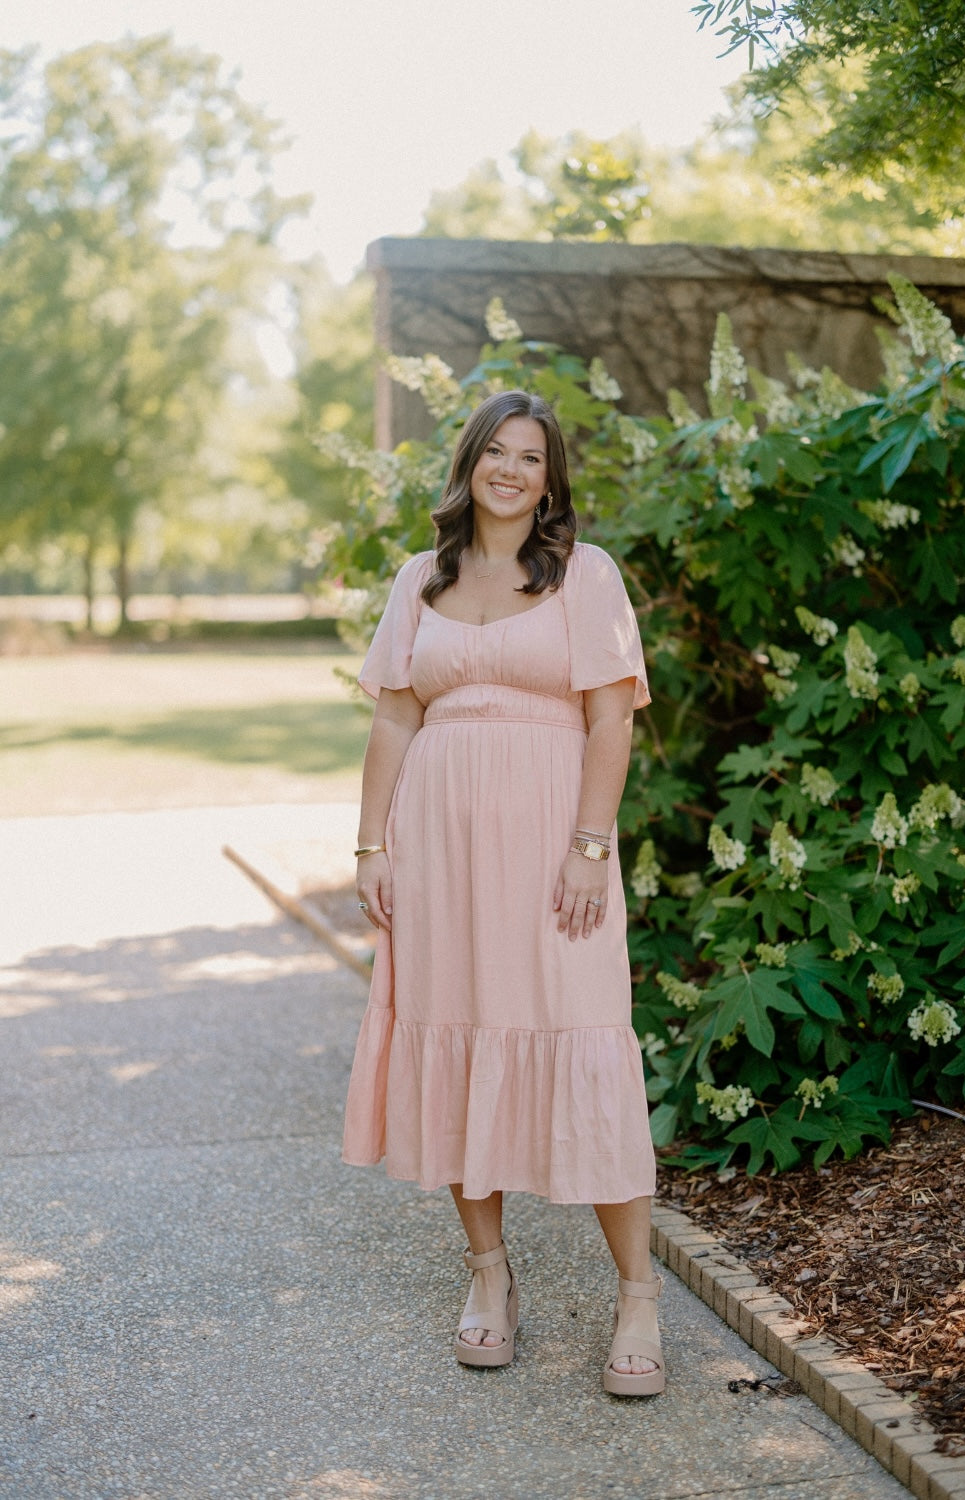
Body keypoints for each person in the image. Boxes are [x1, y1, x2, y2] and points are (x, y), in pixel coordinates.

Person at [342, 388, 663, 1396]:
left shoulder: (586, 576)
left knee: (584, 1034)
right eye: (497, 452)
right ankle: (489, 1277)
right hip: (436, 850)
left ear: (549, 479)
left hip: (551, 844)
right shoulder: (418, 580)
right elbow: (394, 719)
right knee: (456, 1032)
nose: (512, 470)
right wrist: (367, 845)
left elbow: (610, 722)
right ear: (470, 463)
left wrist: (588, 845)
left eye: (532, 457)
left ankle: (639, 1291)